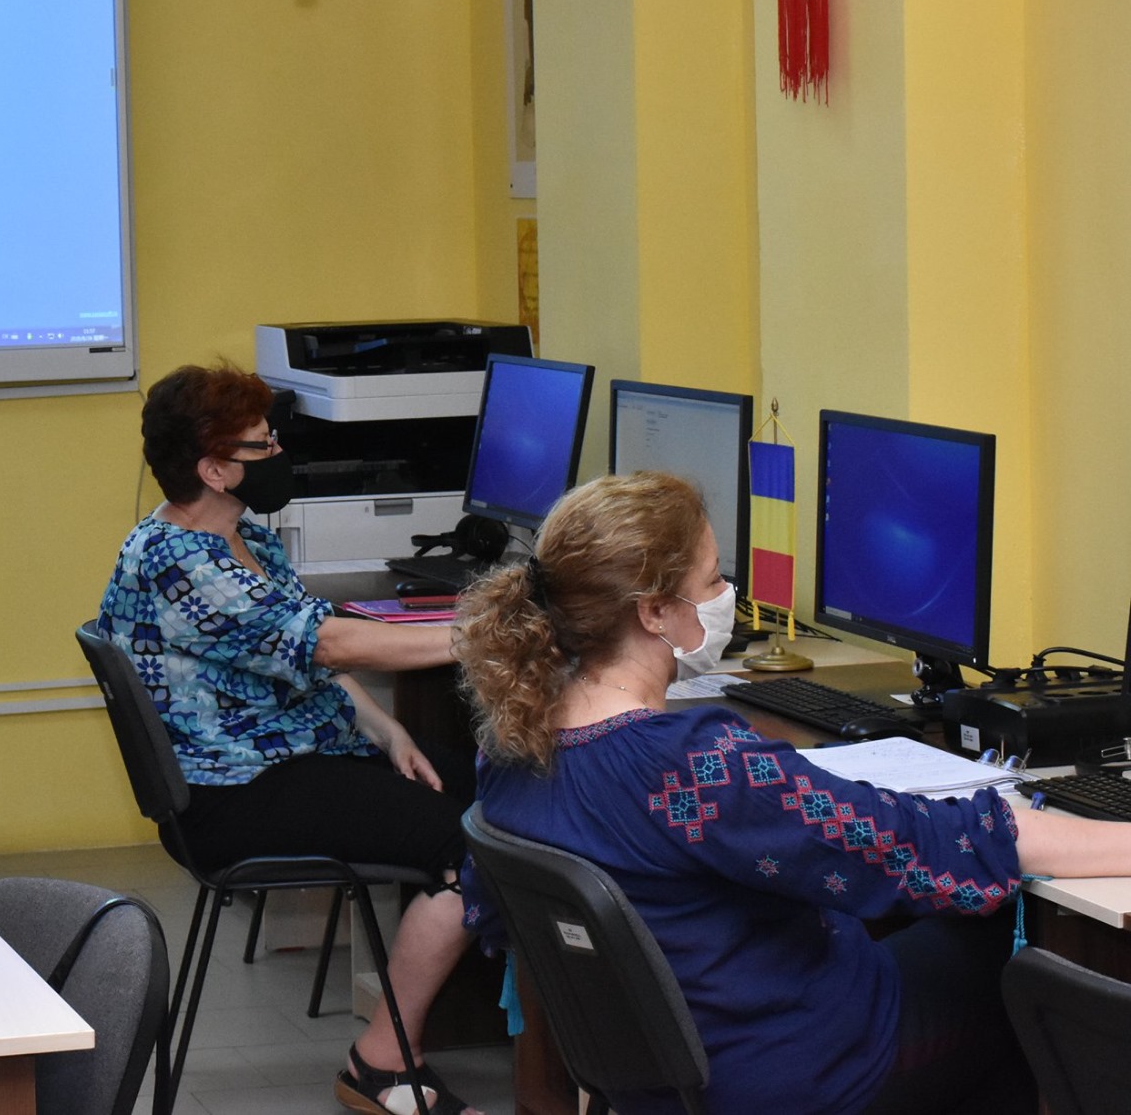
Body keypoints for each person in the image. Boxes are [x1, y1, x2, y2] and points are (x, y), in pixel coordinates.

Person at [455, 470, 1131, 1115]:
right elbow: (893, 842)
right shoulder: (689, 765)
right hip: (792, 1071)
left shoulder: (511, 742)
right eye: (712, 579)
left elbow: (492, 917)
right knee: (1016, 965)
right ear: (655, 611)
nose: (727, 595)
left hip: (659, 1078)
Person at [97, 363, 486, 1115]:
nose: (279, 454)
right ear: (213, 469)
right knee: (476, 842)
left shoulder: (241, 537)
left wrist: (388, 730)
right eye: (262, 445)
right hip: (230, 796)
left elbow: (303, 654)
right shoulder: (180, 560)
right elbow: (330, 643)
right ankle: (381, 1064)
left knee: (499, 789)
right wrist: (487, 634)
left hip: (283, 759)